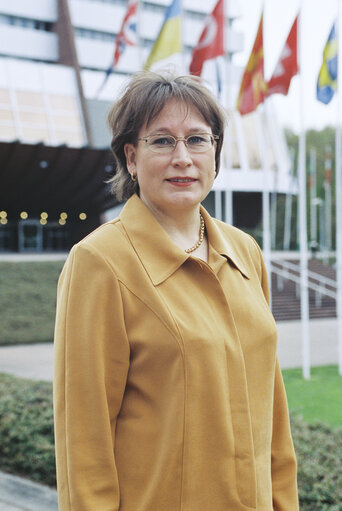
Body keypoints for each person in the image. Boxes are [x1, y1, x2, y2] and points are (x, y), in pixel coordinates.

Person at [53, 71, 299, 511]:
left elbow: (274, 414)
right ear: (131, 157)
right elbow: (83, 440)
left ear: (216, 154)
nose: (182, 157)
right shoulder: (100, 262)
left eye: (198, 140)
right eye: (162, 141)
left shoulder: (245, 252)